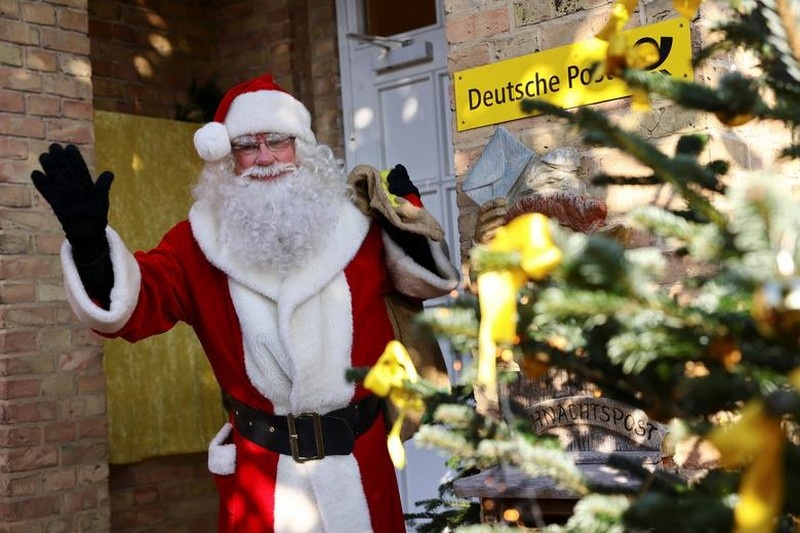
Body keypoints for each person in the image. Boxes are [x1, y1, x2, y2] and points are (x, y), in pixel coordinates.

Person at [31, 73, 459, 532]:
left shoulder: (357, 226)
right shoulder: (197, 244)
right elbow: (135, 305)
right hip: (263, 477)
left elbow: (423, 284)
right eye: (246, 146)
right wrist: (92, 249)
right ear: (226, 158)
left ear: (301, 147)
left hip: (362, 467)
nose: (265, 158)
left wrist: (408, 221)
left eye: (277, 141)